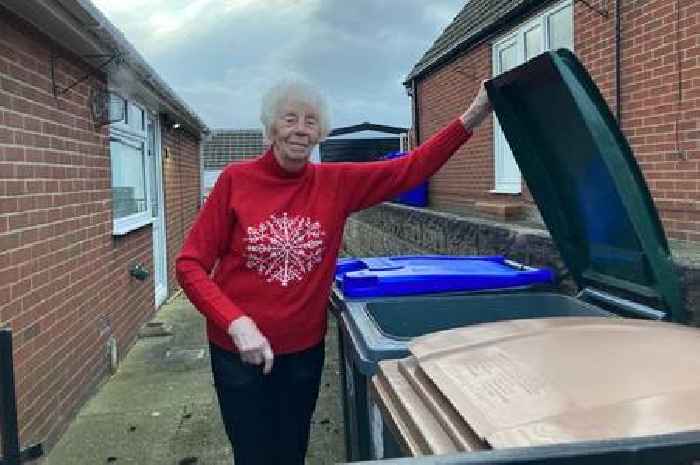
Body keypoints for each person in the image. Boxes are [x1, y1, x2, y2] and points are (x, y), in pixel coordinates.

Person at [175, 79, 492, 465]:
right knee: (253, 453)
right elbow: (189, 265)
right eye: (289, 118)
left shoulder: (337, 183)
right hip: (238, 353)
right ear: (271, 127)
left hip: (302, 352)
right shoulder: (234, 181)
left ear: (320, 132)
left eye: (310, 121)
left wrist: (475, 114)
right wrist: (236, 322)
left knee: (292, 449)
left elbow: (411, 168)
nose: (300, 129)